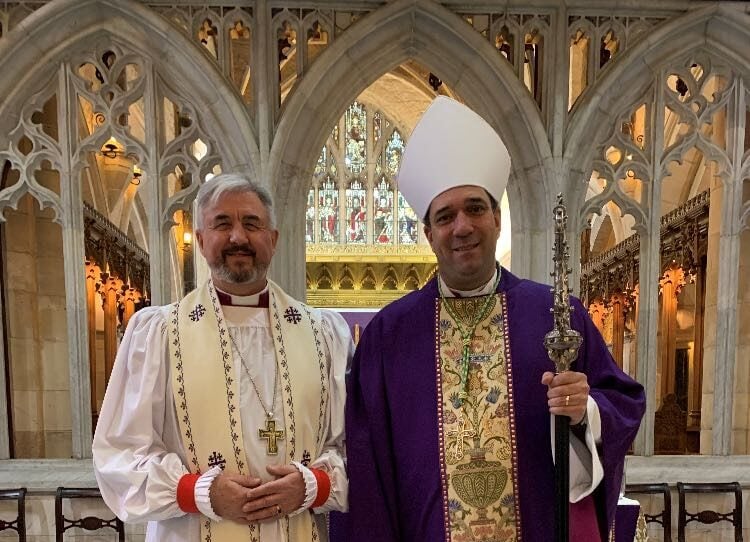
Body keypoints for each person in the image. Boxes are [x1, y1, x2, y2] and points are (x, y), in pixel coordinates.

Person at [345, 97, 645, 541]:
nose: (461, 227)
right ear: (428, 235)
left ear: (497, 219)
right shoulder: (388, 336)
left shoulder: (555, 316)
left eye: (475, 209)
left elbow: (623, 402)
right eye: (445, 217)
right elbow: (368, 471)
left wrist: (587, 413)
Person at [93, 173, 352, 542]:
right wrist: (199, 491)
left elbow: (355, 448)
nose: (238, 237)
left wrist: (313, 485)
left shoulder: (325, 335)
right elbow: (119, 455)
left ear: (273, 240)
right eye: (222, 223)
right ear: (200, 240)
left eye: (251, 223)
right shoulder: (159, 335)